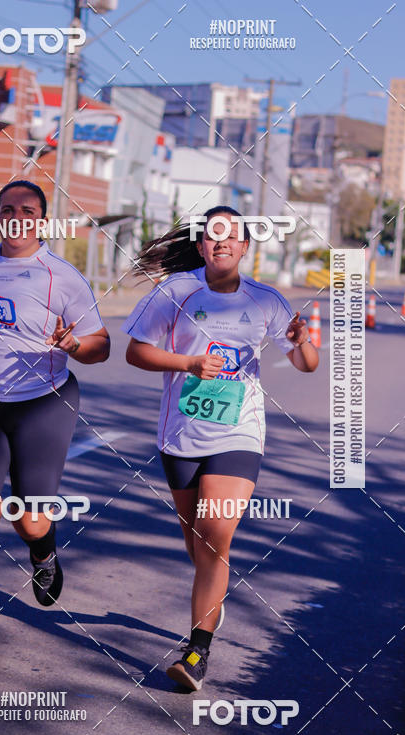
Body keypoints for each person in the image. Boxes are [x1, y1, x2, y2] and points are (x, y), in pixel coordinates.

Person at [122, 206, 318, 690]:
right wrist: (187, 363)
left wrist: (303, 341)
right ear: (203, 244)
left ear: (246, 245)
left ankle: (196, 651)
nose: (222, 242)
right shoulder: (175, 292)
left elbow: (306, 363)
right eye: (213, 236)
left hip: (239, 435)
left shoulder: (267, 301)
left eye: (232, 235)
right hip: (181, 437)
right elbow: (136, 352)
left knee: (214, 537)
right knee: (198, 544)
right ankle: (213, 600)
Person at [0, 180, 110, 659]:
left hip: (43, 402)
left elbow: (101, 347)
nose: (18, 216)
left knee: (30, 518)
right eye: (8, 209)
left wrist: (73, 345)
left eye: (29, 209)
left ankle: (43, 552)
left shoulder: (63, 277)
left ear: (42, 219)